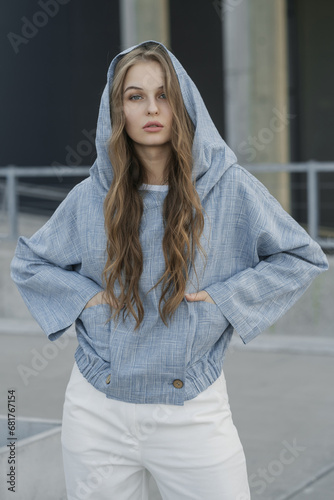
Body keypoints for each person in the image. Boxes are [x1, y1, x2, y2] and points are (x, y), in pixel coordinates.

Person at [10, 40, 328, 500]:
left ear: (183, 104)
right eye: (135, 96)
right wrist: (86, 298)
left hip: (192, 410)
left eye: (164, 95)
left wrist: (225, 302)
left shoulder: (228, 187)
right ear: (117, 110)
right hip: (97, 408)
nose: (152, 108)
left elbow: (302, 256)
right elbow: (30, 262)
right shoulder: (91, 195)